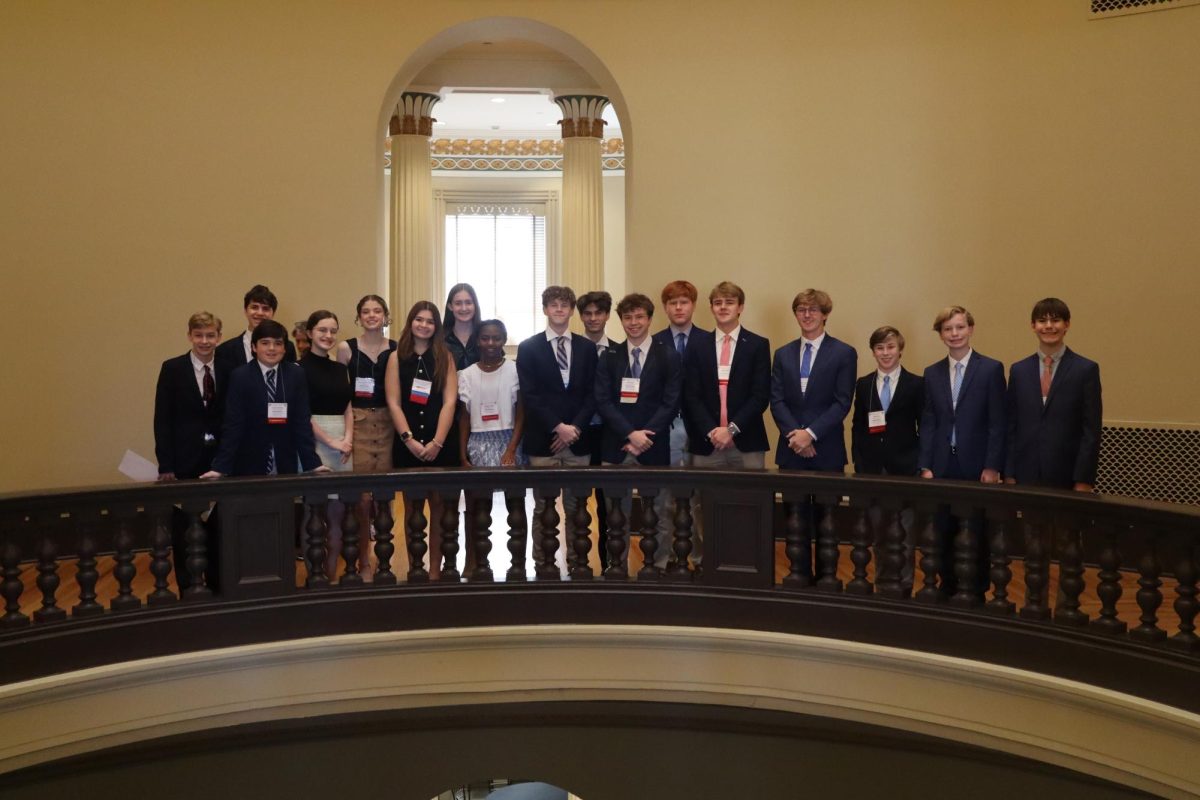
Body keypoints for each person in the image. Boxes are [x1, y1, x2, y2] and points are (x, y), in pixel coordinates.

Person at [919, 306, 1006, 601]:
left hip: (977, 465)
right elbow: (928, 421)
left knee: (976, 531)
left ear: (970, 329)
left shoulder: (991, 369)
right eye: (947, 329)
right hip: (942, 464)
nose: (954, 334)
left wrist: (993, 466)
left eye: (959, 327)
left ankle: (977, 588)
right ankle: (948, 584)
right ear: (941, 334)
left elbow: (998, 422)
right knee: (942, 529)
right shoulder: (932, 373)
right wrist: (925, 464)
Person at [682, 281, 771, 569]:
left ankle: (747, 562)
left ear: (740, 308)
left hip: (746, 443)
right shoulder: (696, 345)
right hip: (706, 443)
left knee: (750, 506)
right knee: (701, 507)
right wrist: (712, 431)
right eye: (718, 302)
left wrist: (730, 430)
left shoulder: (758, 345)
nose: (723, 307)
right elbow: (690, 395)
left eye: (729, 302)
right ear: (711, 308)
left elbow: (760, 396)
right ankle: (704, 562)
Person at [594, 293, 682, 570]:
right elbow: (603, 401)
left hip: (654, 447)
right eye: (628, 317)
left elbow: (672, 401)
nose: (634, 323)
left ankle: (657, 567)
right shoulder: (609, 356)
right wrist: (630, 434)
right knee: (615, 515)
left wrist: (645, 436)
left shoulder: (668, 354)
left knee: (659, 514)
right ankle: (616, 568)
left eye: (639, 317)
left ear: (649, 319)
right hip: (616, 447)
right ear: (621, 320)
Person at [516, 285, 599, 571]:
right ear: (545, 310)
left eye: (565, 305)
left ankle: (579, 562)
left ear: (572, 310)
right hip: (544, 440)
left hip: (579, 440)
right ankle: (544, 563)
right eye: (554, 305)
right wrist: (557, 427)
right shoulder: (528, 348)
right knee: (544, 508)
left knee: (578, 508)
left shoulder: (587, 348)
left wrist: (573, 428)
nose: (560, 309)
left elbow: (593, 394)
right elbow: (530, 395)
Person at [153, 311, 232, 589]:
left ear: (219, 337)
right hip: (183, 461)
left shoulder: (228, 368)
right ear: (189, 336)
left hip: (218, 461)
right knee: (185, 530)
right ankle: (189, 589)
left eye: (210, 335)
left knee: (217, 531)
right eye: (199, 335)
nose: (205, 341)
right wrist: (166, 465)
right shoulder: (172, 369)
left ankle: (218, 586)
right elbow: (162, 420)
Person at [385, 301, 461, 577]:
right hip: (408, 445)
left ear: (436, 326)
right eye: (419, 319)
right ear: (410, 322)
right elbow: (393, 403)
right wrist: (409, 440)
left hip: (441, 444)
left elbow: (450, 402)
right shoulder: (396, 357)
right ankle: (416, 567)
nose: (424, 325)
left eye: (430, 321)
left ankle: (435, 570)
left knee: (440, 510)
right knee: (412, 509)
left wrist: (437, 442)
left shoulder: (445, 356)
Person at [202, 319, 326, 478]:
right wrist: (221, 466)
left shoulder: (296, 375)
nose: (272, 348)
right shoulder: (240, 376)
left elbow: (302, 421)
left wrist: (313, 464)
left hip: (285, 460)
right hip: (248, 461)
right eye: (265, 343)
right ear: (254, 347)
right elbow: (233, 424)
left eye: (278, 343)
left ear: (284, 348)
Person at [851, 325, 923, 590]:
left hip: (904, 469)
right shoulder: (864, 384)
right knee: (879, 532)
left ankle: (903, 586)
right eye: (880, 348)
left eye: (890, 347)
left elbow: (924, 426)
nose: (885, 353)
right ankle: (883, 583)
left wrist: (919, 464)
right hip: (872, 470)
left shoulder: (916, 384)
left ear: (900, 350)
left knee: (904, 534)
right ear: (873, 351)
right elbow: (858, 427)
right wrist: (859, 462)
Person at [1005, 298, 1102, 492]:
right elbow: (1011, 425)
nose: (1049, 326)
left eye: (1056, 320)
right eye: (1042, 321)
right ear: (1033, 326)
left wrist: (1084, 479)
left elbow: (1091, 431)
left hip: (1067, 475)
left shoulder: (1085, 369)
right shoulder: (1019, 370)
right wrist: (1008, 473)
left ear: (1067, 325)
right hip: (1024, 474)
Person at [458, 320, 527, 570]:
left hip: (510, 440)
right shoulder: (466, 375)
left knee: (516, 506)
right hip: (479, 442)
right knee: (480, 508)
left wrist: (511, 448)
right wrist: (463, 454)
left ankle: (518, 564)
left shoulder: (515, 370)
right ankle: (481, 565)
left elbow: (521, 412)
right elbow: (464, 418)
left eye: (496, 338)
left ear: (504, 340)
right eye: (485, 338)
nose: (490, 343)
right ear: (478, 340)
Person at [336, 294, 398, 571]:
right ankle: (362, 559)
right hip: (358, 423)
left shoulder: (397, 349)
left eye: (377, 311)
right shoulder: (345, 349)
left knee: (385, 497)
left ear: (385, 316)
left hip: (387, 425)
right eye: (366, 311)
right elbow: (340, 393)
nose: (372, 315)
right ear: (358, 317)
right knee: (361, 500)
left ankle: (385, 558)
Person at [299, 309, 354, 578]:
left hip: (343, 445)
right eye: (322, 330)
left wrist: (348, 439)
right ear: (309, 333)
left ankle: (331, 574)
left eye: (333, 330)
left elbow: (348, 407)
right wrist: (331, 440)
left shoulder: (339, 368)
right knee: (313, 512)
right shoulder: (297, 369)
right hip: (316, 443)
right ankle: (314, 576)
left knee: (338, 513)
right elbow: (301, 414)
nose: (328, 335)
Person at [577, 290, 615, 568]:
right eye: (587, 313)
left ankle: (609, 564)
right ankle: (579, 564)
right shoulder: (572, 349)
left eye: (598, 313)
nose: (593, 318)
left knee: (607, 504)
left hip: (608, 434)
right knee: (577, 504)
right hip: (578, 433)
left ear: (607, 315)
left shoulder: (618, 350)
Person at [652, 280, 708, 468]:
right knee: (666, 485)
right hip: (666, 425)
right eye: (672, 303)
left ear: (693, 305)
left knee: (699, 487)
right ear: (665, 308)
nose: (678, 308)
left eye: (684, 302)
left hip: (702, 425)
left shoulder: (710, 341)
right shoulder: (654, 343)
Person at [214, 284, 297, 367]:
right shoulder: (225, 350)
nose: (260, 313)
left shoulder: (287, 347)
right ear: (246, 310)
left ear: (273, 313)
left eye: (265, 309)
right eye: (254, 307)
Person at [444, 282, 482, 371]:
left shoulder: (486, 336)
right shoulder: (440, 339)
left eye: (468, 303)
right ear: (450, 306)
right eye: (458, 303)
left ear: (475, 305)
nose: (464, 308)